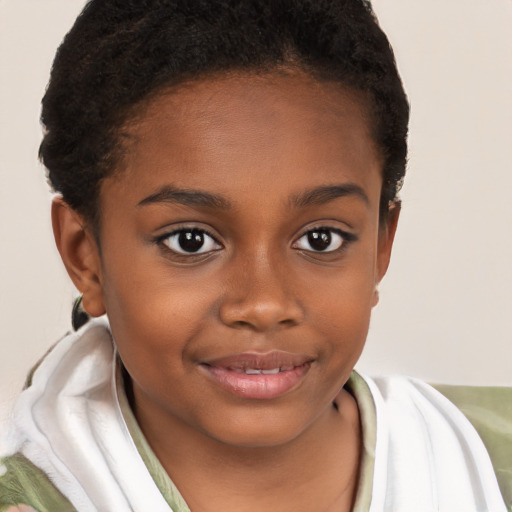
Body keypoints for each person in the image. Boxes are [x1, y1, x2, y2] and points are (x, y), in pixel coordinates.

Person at [0, 1, 510, 511]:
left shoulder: (485, 461)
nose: (264, 304)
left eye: (320, 239)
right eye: (191, 241)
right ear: (85, 255)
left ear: (381, 246)